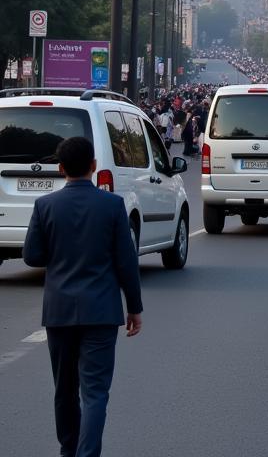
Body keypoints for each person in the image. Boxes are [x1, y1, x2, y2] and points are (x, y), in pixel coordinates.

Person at [23, 136, 143, 457]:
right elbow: (126, 262)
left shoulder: (45, 205)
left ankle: (68, 450)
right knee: (95, 393)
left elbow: (32, 256)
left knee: (64, 390)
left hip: (59, 312)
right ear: (93, 166)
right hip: (102, 311)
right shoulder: (113, 206)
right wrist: (134, 307)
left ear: (61, 169)